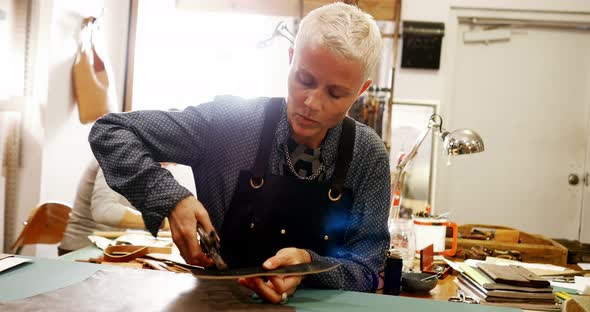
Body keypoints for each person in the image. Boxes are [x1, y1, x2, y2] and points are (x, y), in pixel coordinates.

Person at [89, 2, 389, 304]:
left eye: (335, 93)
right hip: (217, 304)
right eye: (304, 80)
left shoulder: (367, 155)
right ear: (290, 58)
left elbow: (366, 266)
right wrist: (170, 197)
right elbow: (111, 132)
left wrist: (308, 265)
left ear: (361, 89)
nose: (312, 102)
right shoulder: (230, 123)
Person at [58, 160, 170, 255]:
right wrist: (160, 222)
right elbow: (105, 211)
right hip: (82, 249)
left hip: (106, 246)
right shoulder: (117, 157)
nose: (172, 165)